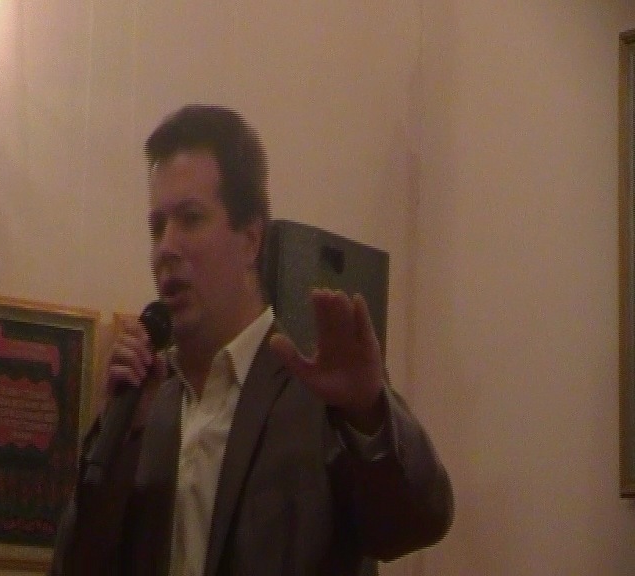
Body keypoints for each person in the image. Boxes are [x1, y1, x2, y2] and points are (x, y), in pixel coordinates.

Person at [50, 105, 453, 576]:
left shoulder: (321, 393)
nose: (165, 248)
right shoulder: (148, 408)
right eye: (157, 227)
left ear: (251, 239)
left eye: (191, 219)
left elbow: (417, 524)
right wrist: (118, 437)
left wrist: (368, 412)